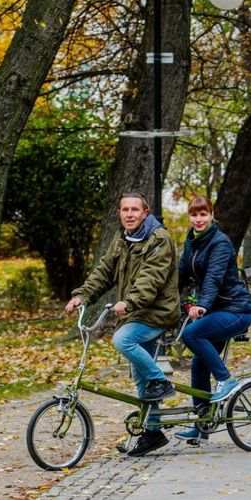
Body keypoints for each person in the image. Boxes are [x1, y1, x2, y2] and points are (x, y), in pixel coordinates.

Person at [65, 192, 180, 457]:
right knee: (142, 378)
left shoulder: (159, 240)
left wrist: (128, 302)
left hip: (156, 312)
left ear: (146, 212)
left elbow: (151, 279)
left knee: (122, 340)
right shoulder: (122, 238)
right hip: (135, 312)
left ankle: (161, 380)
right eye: (124, 209)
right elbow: (104, 271)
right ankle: (153, 433)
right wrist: (82, 295)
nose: (129, 214)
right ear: (119, 213)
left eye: (134, 210)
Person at [174, 196, 251, 443]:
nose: (198, 220)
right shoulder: (191, 242)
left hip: (236, 310)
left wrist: (202, 306)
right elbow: (181, 274)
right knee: (199, 366)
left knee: (191, 333)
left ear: (212, 215)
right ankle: (202, 425)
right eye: (194, 215)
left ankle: (226, 380)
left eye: (203, 214)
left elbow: (213, 279)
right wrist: (167, 298)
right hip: (215, 312)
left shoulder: (220, 243)